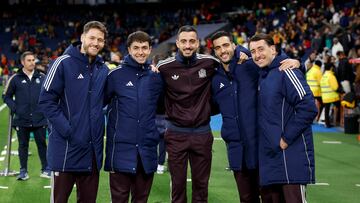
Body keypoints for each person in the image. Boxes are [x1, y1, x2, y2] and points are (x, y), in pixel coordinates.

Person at [210, 30, 301, 203]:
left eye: (226, 45)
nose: (223, 50)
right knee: (246, 198)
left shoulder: (250, 66)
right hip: (236, 151)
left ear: (234, 46)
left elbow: (274, 62)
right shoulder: (215, 78)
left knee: (270, 198)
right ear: (214, 52)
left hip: (261, 149)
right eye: (218, 48)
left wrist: (297, 62)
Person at [38, 21, 108, 203]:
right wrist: (69, 130)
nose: (96, 42)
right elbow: (46, 101)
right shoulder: (62, 63)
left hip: (92, 153)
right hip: (66, 150)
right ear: (82, 38)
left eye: (100, 39)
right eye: (92, 38)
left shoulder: (103, 68)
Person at [249, 33, 317, 203]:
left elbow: (308, 107)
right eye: (253, 51)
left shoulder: (287, 71)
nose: (257, 55)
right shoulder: (263, 74)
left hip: (290, 157)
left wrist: (285, 138)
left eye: (261, 49)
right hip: (271, 160)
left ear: (273, 49)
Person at [156, 25, 218, 203]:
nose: (188, 45)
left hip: (202, 133)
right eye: (184, 41)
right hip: (176, 134)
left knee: (201, 186)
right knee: (178, 186)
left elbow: (232, 62)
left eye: (192, 41)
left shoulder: (210, 62)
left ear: (197, 43)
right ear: (177, 43)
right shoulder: (164, 67)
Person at [104, 31, 163, 202]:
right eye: (136, 48)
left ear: (150, 49)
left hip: (147, 152)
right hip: (120, 152)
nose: (140, 52)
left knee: (141, 200)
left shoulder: (156, 77)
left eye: (144, 48)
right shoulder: (115, 76)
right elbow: (99, 103)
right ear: (129, 49)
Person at [3, 51, 50, 180]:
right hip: (21, 119)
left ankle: (45, 168)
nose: (32, 62)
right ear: (23, 62)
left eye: (33, 60)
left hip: (39, 118)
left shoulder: (42, 77)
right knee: (23, 145)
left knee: (42, 144)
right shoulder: (15, 78)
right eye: (29, 60)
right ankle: (23, 170)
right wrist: (15, 108)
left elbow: (49, 94)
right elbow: (6, 96)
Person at [320, 63, 341, 127]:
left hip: (325, 96)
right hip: (332, 96)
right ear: (331, 68)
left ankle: (327, 123)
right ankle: (337, 122)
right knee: (339, 106)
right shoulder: (331, 76)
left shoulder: (323, 76)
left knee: (327, 110)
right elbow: (335, 87)